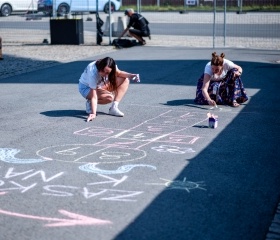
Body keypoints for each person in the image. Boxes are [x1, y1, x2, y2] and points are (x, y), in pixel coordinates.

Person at [78, 57, 139, 122]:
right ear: (100, 67)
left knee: (125, 79)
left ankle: (114, 107)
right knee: (109, 98)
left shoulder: (110, 65)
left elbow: (119, 73)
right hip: (86, 88)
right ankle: (90, 103)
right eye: (102, 71)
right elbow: (94, 96)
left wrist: (131, 75)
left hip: (100, 85)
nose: (104, 74)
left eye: (107, 73)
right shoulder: (92, 71)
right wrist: (93, 113)